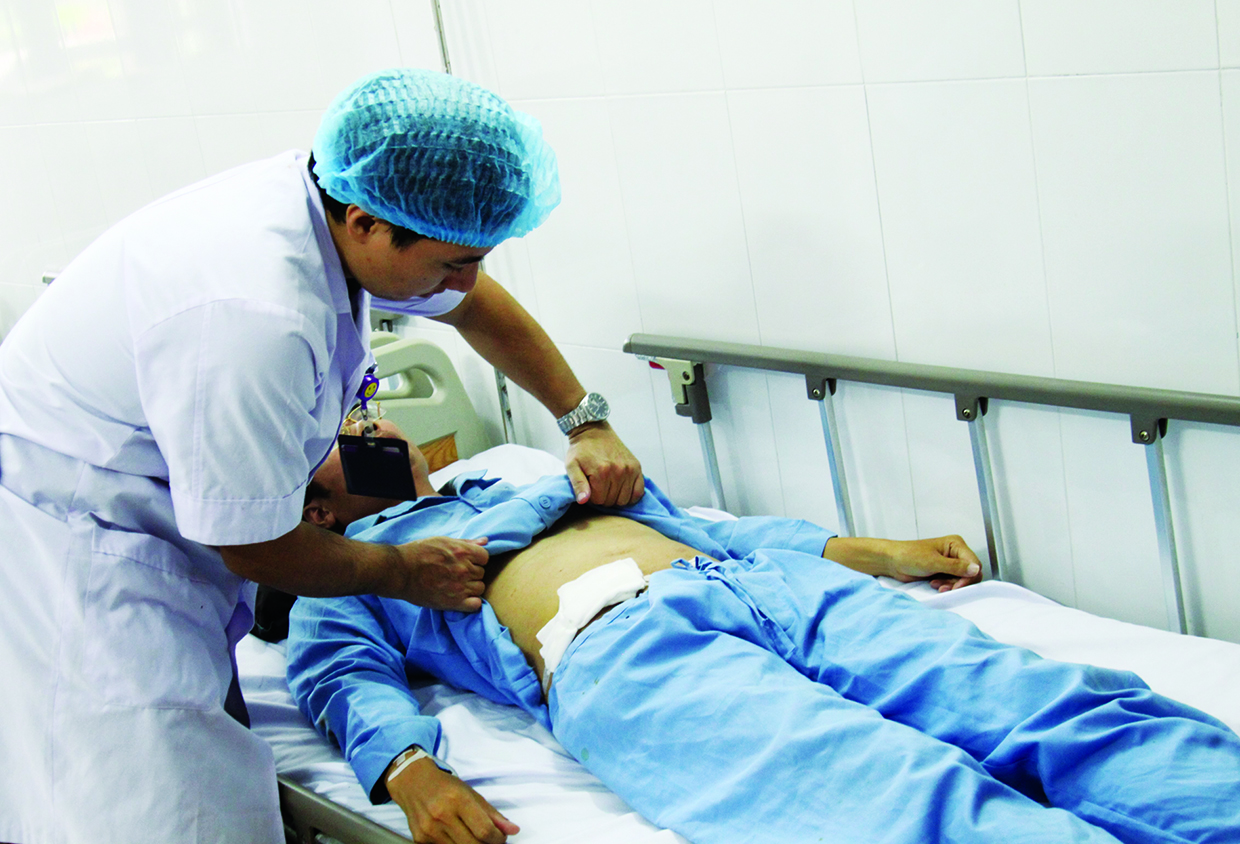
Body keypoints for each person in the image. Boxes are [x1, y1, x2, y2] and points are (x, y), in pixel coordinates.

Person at [0, 68, 641, 844]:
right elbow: (259, 552)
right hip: (83, 540)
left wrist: (584, 421)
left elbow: (470, 303)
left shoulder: (344, 211)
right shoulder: (252, 318)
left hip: (181, 515)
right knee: (159, 812)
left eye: (477, 257)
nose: (466, 280)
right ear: (366, 224)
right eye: (450, 262)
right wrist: (401, 580)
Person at [287, 432, 1240, 844]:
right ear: (314, 509)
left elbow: (719, 527)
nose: (362, 421)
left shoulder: (513, 474)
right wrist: (410, 772)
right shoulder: (345, 570)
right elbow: (340, 676)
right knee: (890, 801)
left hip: (772, 585)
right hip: (621, 650)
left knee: (1063, 711)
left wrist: (873, 551)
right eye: (326, 434)